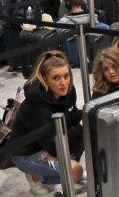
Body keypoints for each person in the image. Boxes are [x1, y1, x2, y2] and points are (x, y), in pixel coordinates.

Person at [9, 51, 85, 185]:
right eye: (56, 78)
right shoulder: (37, 107)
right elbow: (54, 148)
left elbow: (70, 115)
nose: (63, 83)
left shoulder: (69, 91)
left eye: (66, 76)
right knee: (75, 171)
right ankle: (37, 178)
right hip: (26, 153)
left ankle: (52, 173)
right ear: (45, 79)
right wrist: (79, 128)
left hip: (48, 142)